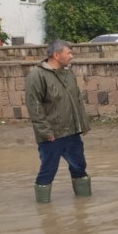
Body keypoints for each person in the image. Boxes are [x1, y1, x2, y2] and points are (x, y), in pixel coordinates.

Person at [25, 40, 92, 203]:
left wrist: (83, 124)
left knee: (79, 167)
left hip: (72, 132)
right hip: (52, 134)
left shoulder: (68, 74)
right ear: (56, 55)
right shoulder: (37, 75)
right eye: (68, 53)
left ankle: (83, 204)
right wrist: (45, 132)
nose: (72, 56)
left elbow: (77, 100)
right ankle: (43, 207)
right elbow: (34, 106)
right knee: (48, 170)